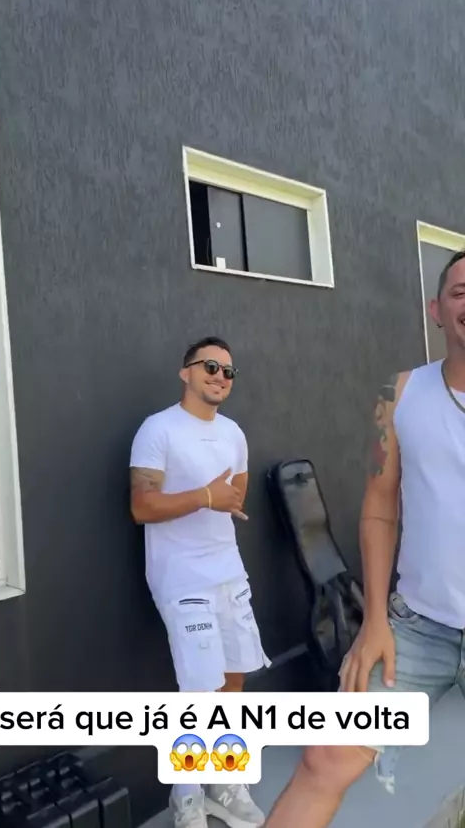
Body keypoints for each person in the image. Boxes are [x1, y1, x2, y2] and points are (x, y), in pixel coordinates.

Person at [264, 249, 465, 828]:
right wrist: (374, 620)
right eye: (459, 292)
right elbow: (379, 507)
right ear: (435, 310)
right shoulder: (399, 393)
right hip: (417, 628)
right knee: (324, 758)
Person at [130, 336, 270, 828]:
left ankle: (225, 781)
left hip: (228, 569)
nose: (220, 376)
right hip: (180, 573)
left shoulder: (233, 433)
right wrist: (205, 497)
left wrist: (221, 498)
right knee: (199, 688)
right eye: (210, 366)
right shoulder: (158, 429)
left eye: (229, 371)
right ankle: (186, 795)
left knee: (234, 677)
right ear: (185, 372)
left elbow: (235, 494)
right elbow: (142, 506)